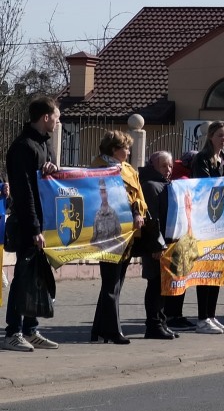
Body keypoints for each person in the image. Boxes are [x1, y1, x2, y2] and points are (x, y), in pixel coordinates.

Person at [3, 96, 61, 352]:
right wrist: (35, 229)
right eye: (56, 117)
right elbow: (24, 191)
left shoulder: (44, 145)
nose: (58, 122)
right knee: (22, 278)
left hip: (44, 220)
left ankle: (31, 328)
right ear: (45, 117)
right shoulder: (22, 147)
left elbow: (45, 179)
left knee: (37, 276)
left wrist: (52, 168)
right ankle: (13, 332)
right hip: (29, 223)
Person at [89, 130, 147, 345]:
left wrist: (138, 211)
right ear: (115, 149)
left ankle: (99, 329)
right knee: (111, 282)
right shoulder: (97, 169)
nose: (129, 151)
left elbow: (139, 196)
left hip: (129, 232)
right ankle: (112, 330)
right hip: (108, 230)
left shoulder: (128, 169)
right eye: (126, 148)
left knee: (116, 283)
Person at [191, 120, 224, 335]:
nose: (223, 139)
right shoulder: (202, 159)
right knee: (206, 269)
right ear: (210, 137)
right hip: (205, 221)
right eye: (220, 135)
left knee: (217, 270)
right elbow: (204, 186)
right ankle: (202, 318)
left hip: (221, 221)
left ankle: (211, 315)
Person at [139, 151, 175, 340]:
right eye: (164, 166)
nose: (168, 170)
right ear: (153, 166)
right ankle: (152, 325)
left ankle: (161, 322)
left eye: (170, 166)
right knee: (154, 285)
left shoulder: (167, 185)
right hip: (156, 246)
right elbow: (151, 218)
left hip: (167, 244)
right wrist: (156, 245)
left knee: (163, 285)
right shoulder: (150, 186)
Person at [165, 148, 198, 331]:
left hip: (180, 235)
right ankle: (173, 315)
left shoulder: (181, 179)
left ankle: (175, 314)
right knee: (177, 277)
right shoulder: (184, 182)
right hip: (179, 236)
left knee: (180, 277)